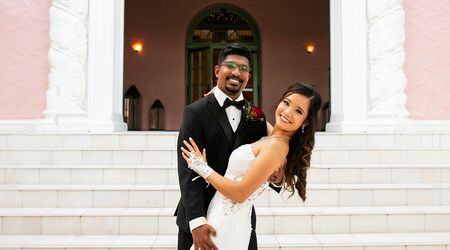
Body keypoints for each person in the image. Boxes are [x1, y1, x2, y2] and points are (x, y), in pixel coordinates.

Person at [181, 82, 322, 250]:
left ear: (305, 122)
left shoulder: (277, 146)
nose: (287, 112)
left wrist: (201, 167)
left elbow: (240, 194)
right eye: (286, 102)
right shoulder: (274, 136)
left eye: (298, 111)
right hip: (221, 216)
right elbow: (263, 122)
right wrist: (222, 95)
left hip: (226, 223)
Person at [175, 43, 280, 250]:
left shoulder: (257, 116)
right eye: (230, 65)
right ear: (217, 71)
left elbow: (271, 154)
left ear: (249, 76)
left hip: (239, 218)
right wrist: (196, 221)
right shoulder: (195, 112)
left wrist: (276, 176)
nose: (236, 72)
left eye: (243, 69)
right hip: (200, 216)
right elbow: (187, 168)